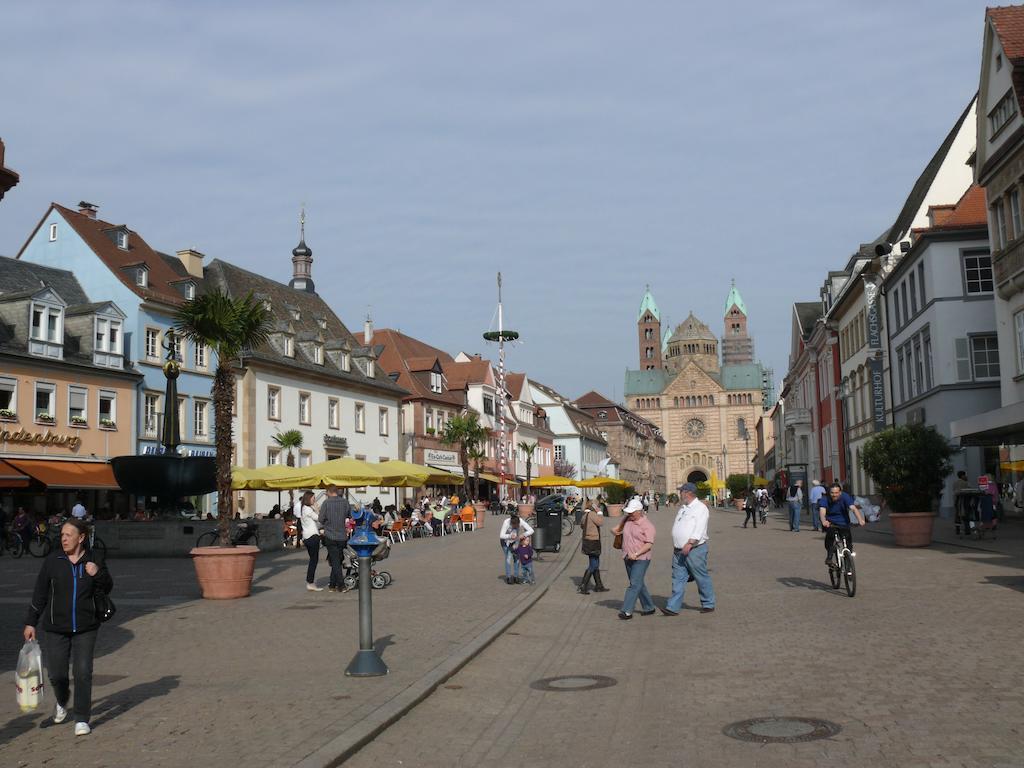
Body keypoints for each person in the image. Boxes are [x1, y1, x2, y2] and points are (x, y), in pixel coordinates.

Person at [23, 518, 112, 736]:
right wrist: (30, 621)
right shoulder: (53, 560)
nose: (63, 539)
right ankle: (62, 701)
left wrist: (97, 573)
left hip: (86, 626)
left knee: (83, 672)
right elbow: (40, 592)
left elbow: (108, 586)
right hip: (55, 627)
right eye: (62, 535)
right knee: (56, 674)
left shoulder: (94, 558)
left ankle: (81, 718)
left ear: (81, 538)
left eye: (68, 535)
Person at [661, 482, 715, 615]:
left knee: (700, 577)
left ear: (687, 493)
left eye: (681, 491)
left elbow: (699, 528)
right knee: (677, 578)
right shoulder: (683, 507)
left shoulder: (700, 508)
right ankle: (672, 607)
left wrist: (690, 543)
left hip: (694, 550)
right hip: (678, 550)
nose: (680, 494)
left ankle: (708, 603)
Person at [612, 497, 656, 619]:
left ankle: (626, 611)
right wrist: (616, 530)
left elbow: (649, 544)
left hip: (641, 559)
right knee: (638, 583)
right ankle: (649, 607)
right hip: (627, 557)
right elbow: (615, 530)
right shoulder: (627, 520)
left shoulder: (647, 525)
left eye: (631, 512)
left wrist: (636, 554)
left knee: (634, 584)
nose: (629, 514)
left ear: (639, 511)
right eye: (628, 512)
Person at [818, 482, 865, 565]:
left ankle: (848, 561)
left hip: (843, 522)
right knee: (830, 539)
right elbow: (822, 511)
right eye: (832, 493)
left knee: (848, 541)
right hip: (830, 522)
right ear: (829, 492)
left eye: (836, 493)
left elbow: (853, 508)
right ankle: (829, 557)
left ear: (840, 492)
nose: (834, 495)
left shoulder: (845, 496)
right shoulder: (825, 498)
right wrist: (824, 521)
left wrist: (860, 520)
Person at [318, 485, 351, 593]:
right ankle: (332, 584)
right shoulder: (345, 502)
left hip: (330, 535)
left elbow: (321, 519)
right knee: (337, 559)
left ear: (329, 492)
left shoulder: (326, 503)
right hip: (342, 536)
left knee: (336, 561)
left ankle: (341, 585)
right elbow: (349, 515)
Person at [577, 500, 608, 594]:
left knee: (595, 563)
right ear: (594, 506)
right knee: (593, 564)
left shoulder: (585, 515)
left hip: (587, 541)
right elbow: (601, 522)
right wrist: (599, 512)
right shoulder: (593, 514)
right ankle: (583, 586)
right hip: (593, 541)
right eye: (597, 505)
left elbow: (582, 525)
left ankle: (599, 585)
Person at [297, 491, 322, 591]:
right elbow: (319, 518)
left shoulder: (304, 509)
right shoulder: (308, 510)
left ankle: (310, 581)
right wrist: (317, 509)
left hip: (307, 536)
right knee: (314, 560)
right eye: (313, 498)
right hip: (312, 536)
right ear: (308, 498)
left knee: (313, 560)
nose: (314, 500)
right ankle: (310, 582)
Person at [498, 513, 534, 585]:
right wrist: (510, 536)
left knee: (517, 558)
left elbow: (531, 530)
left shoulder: (520, 521)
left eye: (517, 526)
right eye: (514, 526)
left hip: (515, 541)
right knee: (508, 558)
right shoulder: (506, 522)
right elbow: (501, 535)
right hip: (505, 542)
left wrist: (523, 534)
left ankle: (516, 576)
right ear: (511, 523)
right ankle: (508, 577)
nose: (516, 527)